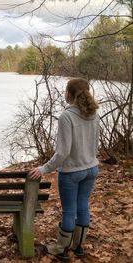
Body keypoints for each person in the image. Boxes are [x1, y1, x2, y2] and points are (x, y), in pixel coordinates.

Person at [29, 78, 100, 261]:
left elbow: (62, 153)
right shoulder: (94, 114)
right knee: (82, 206)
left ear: (69, 94)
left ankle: (61, 248)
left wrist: (43, 169)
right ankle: (78, 247)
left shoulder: (66, 117)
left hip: (72, 172)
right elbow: (95, 145)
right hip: (91, 168)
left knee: (69, 210)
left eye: (65, 90)